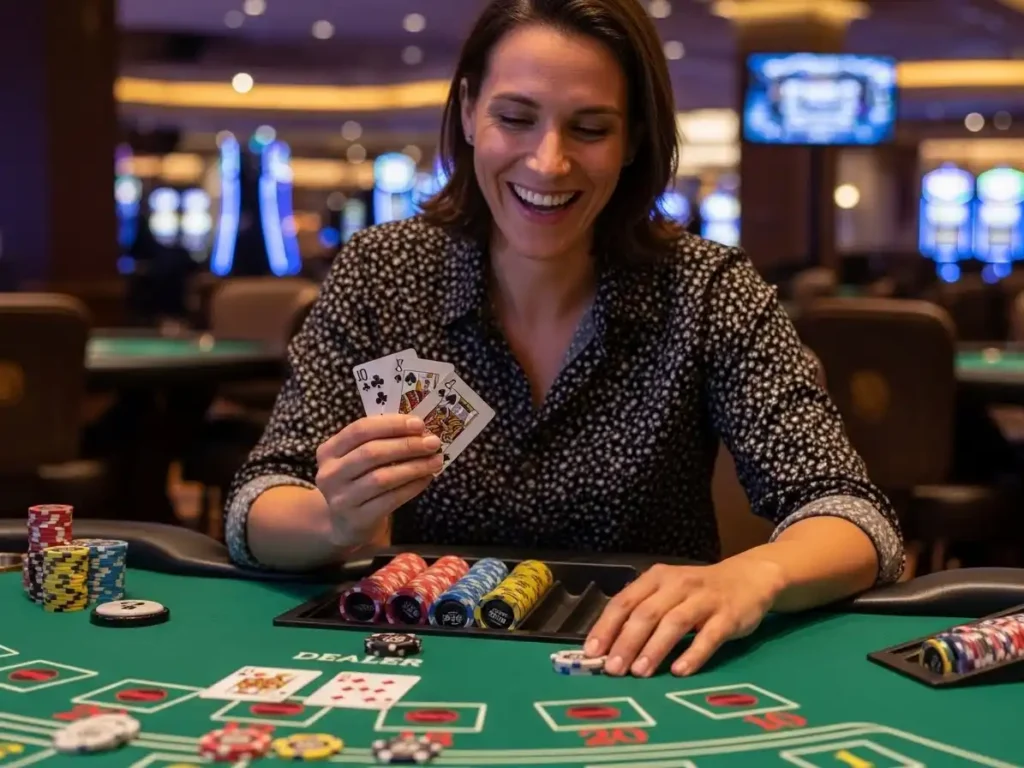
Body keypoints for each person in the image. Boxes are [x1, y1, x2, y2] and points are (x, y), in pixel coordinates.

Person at [223, 0, 903, 679]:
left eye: (590, 128)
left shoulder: (707, 288)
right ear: (468, 112)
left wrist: (751, 577)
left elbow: (851, 515)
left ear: (634, 137)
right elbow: (257, 503)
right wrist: (331, 522)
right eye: (515, 119)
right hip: (425, 661)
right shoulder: (382, 273)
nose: (548, 163)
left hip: (639, 668)